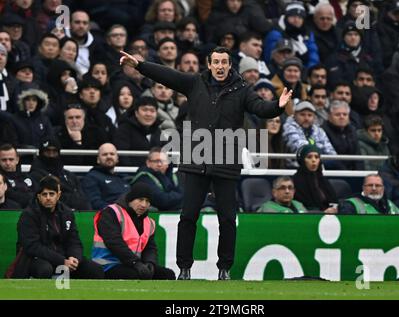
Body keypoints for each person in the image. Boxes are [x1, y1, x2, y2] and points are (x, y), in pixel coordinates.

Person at [119, 46, 292, 280]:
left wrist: (278, 106)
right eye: (216, 62)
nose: (220, 66)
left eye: (224, 62)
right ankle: (184, 268)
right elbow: (167, 75)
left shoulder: (242, 90)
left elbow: (261, 108)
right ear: (209, 65)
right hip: (197, 160)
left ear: (230, 65)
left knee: (228, 219)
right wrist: (140, 65)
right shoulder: (194, 83)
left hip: (226, 163)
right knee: (188, 216)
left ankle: (224, 269)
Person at [10, 175, 104, 279]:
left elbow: (74, 241)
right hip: (36, 259)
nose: (48, 198)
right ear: (38, 196)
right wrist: (62, 261)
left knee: (95, 270)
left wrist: (74, 257)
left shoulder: (67, 213)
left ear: (58, 195)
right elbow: (32, 246)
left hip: (65, 258)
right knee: (45, 269)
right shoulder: (29, 215)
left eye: (51, 194)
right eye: (44, 194)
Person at [92, 182, 176, 280]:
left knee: (168, 275)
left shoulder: (149, 222)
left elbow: (150, 248)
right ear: (130, 199)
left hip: (133, 264)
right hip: (107, 265)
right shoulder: (111, 213)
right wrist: (135, 263)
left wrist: (150, 263)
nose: (144, 205)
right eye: (140, 200)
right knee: (136, 276)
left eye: (147, 201)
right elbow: (114, 242)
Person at [30, 138, 92, 210]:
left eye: (54, 151)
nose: (51, 155)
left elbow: (83, 197)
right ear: (41, 153)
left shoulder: (70, 176)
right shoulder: (34, 175)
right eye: (48, 151)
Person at [81, 143, 130, 210]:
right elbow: (95, 202)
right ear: (98, 159)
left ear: (117, 158)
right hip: (109, 216)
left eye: (112, 154)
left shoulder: (123, 178)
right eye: (105, 154)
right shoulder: (91, 178)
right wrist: (117, 211)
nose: (109, 156)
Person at [293, 144, 338, 213]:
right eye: (309, 157)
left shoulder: (323, 180)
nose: (313, 160)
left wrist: (334, 208)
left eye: (316, 157)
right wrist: (322, 212)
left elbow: (334, 201)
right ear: (302, 160)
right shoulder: (296, 181)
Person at [0, 144, 35, 208]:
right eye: (4, 160)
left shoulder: (27, 177)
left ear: (17, 160)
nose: (7, 163)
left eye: (11, 159)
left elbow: (37, 195)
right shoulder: (1, 180)